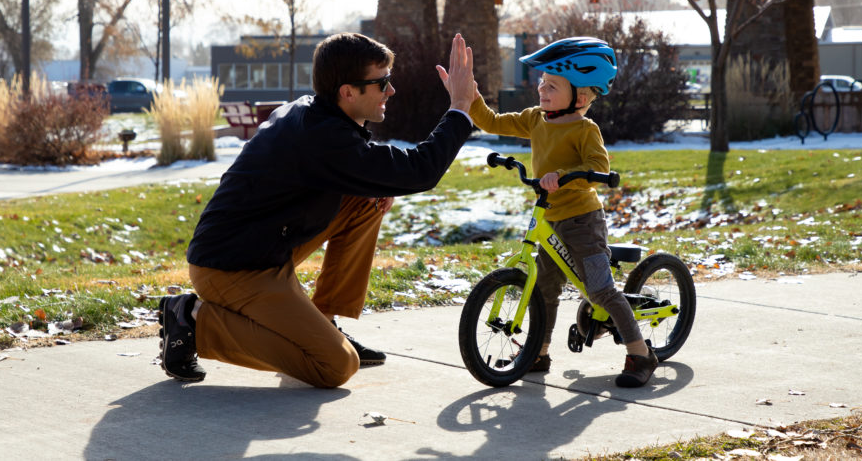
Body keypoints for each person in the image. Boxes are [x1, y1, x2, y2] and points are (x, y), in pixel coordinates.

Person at [157, 32, 476, 388]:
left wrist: (380, 184)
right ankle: (193, 322)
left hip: (260, 244)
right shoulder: (324, 139)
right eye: (382, 82)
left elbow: (373, 170)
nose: (392, 90)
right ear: (348, 92)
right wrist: (460, 108)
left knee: (367, 200)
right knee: (335, 366)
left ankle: (323, 318)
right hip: (235, 269)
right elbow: (421, 170)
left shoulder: (319, 114)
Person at [467, 36, 657, 388]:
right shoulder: (536, 119)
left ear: (580, 97)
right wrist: (470, 97)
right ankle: (537, 352)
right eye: (542, 81)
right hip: (551, 218)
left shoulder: (585, 129)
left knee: (600, 290)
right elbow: (493, 122)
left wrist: (566, 178)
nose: (542, 88)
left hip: (584, 222)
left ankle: (640, 353)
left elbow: (597, 166)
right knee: (544, 290)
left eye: (552, 84)